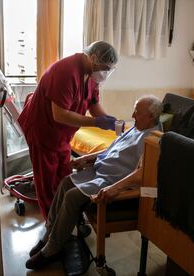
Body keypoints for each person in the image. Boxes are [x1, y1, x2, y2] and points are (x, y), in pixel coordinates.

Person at [25, 96, 163, 270]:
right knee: (66, 182)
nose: (132, 115)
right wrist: (86, 158)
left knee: (72, 196)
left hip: (111, 181)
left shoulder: (153, 140)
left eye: (137, 112)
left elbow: (142, 174)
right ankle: (49, 233)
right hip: (99, 171)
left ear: (151, 116)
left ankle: (53, 248)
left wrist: (114, 188)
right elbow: (112, 148)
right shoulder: (136, 128)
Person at [18, 41, 119, 219]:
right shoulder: (66, 72)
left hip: (63, 135)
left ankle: (65, 217)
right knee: (47, 183)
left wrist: (113, 123)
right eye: (105, 68)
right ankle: (52, 225)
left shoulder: (91, 77)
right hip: (43, 131)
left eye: (109, 70)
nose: (106, 73)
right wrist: (96, 123)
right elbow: (60, 115)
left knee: (64, 176)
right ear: (93, 58)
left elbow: (93, 104)